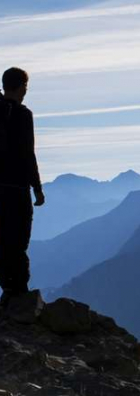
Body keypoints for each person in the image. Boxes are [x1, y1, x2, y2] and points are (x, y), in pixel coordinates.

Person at [0, 67, 45, 299]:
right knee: (18, 241)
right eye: (26, 86)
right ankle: (18, 293)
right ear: (20, 87)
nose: (26, 91)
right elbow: (29, 154)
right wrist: (37, 188)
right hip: (17, 188)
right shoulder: (23, 115)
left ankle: (7, 288)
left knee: (3, 240)